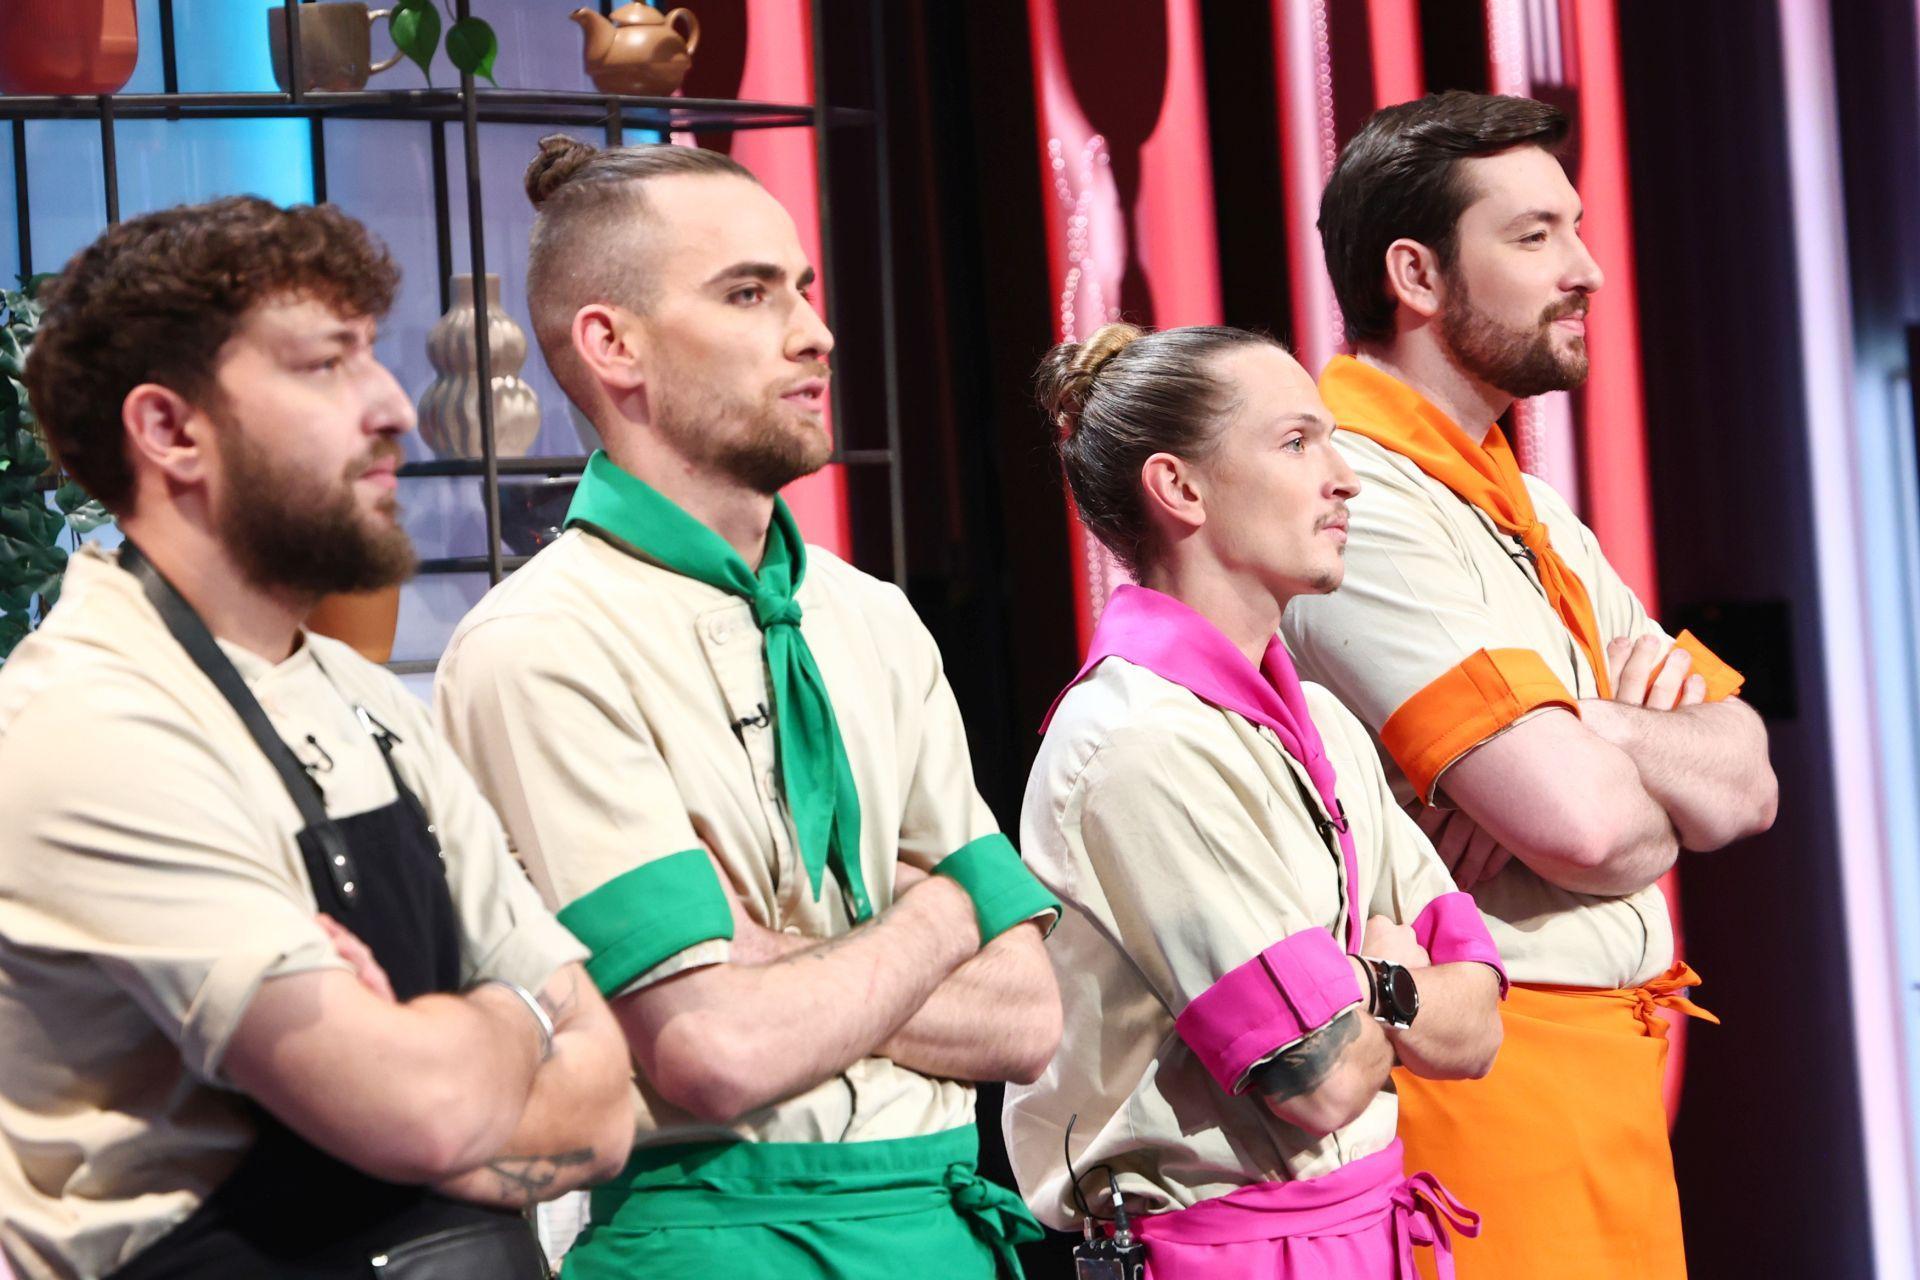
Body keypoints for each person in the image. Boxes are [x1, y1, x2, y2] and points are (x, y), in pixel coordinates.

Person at [433, 137, 1063, 1280]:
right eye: (749, 293)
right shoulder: (539, 644)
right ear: (613, 345)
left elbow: (1026, 1014)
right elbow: (713, 1046)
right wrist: (943, 915)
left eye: (804, 289)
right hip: (712, 1237)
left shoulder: (872, 616)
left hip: (946, 1222)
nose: (815, 331)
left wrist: (780, 960)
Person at [0, 197, 635, 1280]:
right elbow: (421, 1112)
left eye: (374, 356)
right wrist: (520, 1012)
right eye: (327, 364)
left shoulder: (365, 699)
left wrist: (426, 1069)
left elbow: (605, 1106)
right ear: (170, 430)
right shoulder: (89, 721)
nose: (392, 405)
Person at [1283, 90, 1779, 1278]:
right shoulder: (1357, 499)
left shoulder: (1529, 504)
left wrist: (1587, 722)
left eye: (1577, 228)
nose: (1587, 269)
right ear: (1416, 274)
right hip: (1480, 1091)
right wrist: (1636, 759)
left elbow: (1749, 780)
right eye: (1535, 235)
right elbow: (1591, 829)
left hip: (1603, 1087)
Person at [1002, 322, 1507, 1279]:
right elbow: (1320, 1081)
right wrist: (1392, 980)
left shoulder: (1323, 720)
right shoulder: (1140, 744)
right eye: (1296, 442)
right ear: (1180, 488)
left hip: (1366, 1233)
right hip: (1224, 1252)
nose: (1344, 479)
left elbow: (1479, 1022)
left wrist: (1359, 989)